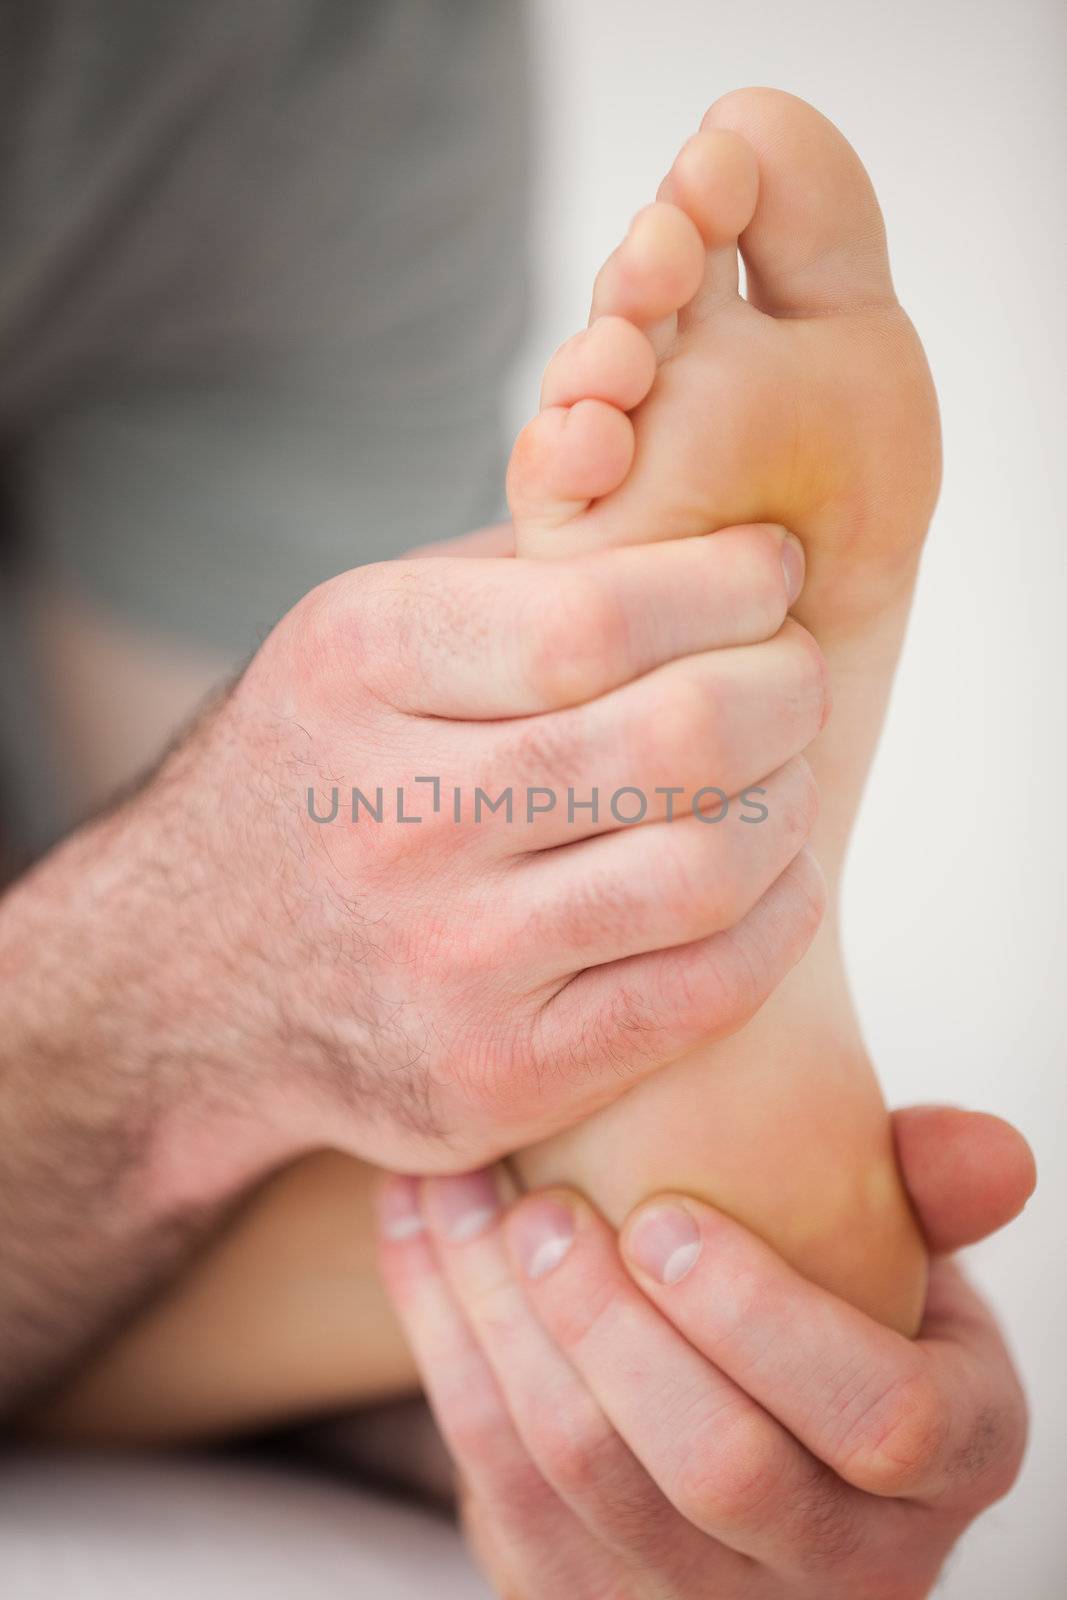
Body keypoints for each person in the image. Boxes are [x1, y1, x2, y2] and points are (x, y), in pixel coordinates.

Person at [0, 6, 1031, 1595]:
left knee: (336, 1067)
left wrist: (510, 1425)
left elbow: (309, 1028)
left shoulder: (315, 43)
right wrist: (169, 967)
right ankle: (655, 1230)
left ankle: (578, 1269)